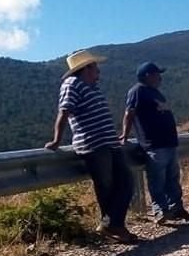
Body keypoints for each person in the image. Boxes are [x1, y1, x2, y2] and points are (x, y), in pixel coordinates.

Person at [45, 50, 137, 244]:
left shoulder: (92, 86)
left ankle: (110, 224)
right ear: (86, 68)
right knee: (106, 186)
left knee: (126, 182)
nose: (98, 71)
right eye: (95, 67)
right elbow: (64, 113)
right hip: (93, 144)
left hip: (109, 142)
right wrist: (56, 140)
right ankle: (114, 227)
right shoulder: (72, 84)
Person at [119, 62, 189, 225]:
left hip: (168, 143)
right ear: (147, 75)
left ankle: (176, 208)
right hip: (154, 144)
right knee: (157, 180)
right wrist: (124, 136)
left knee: (172, 179)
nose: (160, 77)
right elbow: (129, 113)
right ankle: (160, 210)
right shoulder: (137, 91)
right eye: (156, 74)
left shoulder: (154, 92)